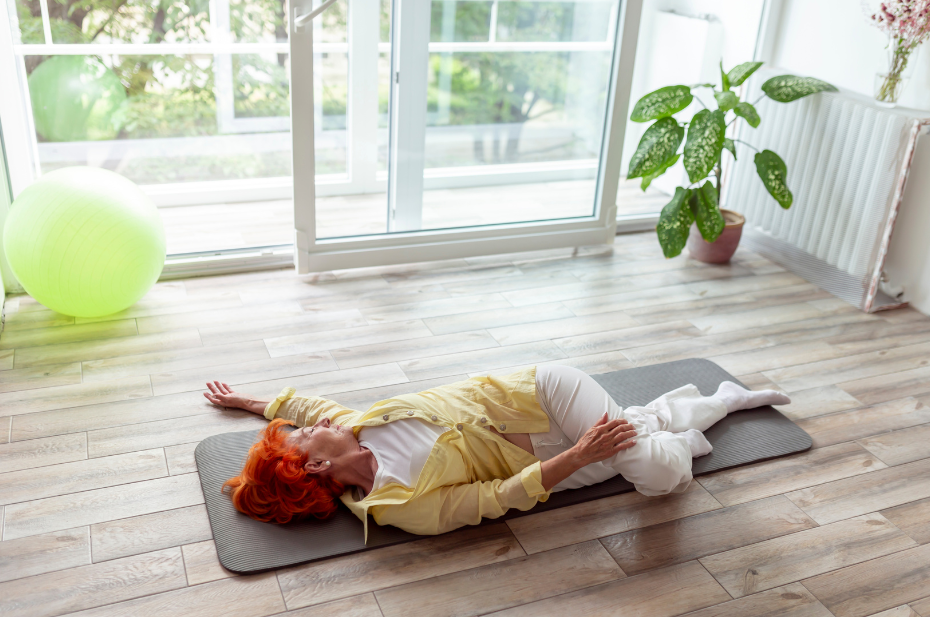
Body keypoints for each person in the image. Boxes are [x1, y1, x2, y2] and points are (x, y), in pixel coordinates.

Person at [204, 365, 789, 539]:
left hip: (544, 396)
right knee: (644, 461)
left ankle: (692, 422)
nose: (318, 422)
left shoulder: (354, 425)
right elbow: (497, 498)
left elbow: (305, 404)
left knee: (656, 475)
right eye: (306, 435)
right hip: (544, 468)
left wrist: (248, 402)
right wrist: (578, 457)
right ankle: (692, 412)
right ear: (316, 465)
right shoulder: (401, 507)